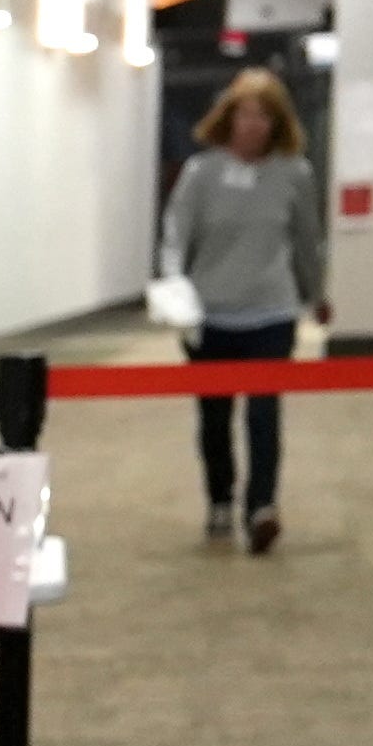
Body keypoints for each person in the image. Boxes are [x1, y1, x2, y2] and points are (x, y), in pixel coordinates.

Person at [158, 67, 328, 554]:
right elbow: (175, 237)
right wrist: (175, 292)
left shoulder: (295, 174)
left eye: (265, 117)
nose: (254, 125)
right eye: (246, 115)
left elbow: (305, 244)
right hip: (209, 316)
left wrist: (315, 296)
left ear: (278, 124)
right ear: (229, 118)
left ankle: (261, 508)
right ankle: (219, 497)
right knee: (214, 417)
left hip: (271, 313)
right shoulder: (201, 173)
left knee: (263, 412)